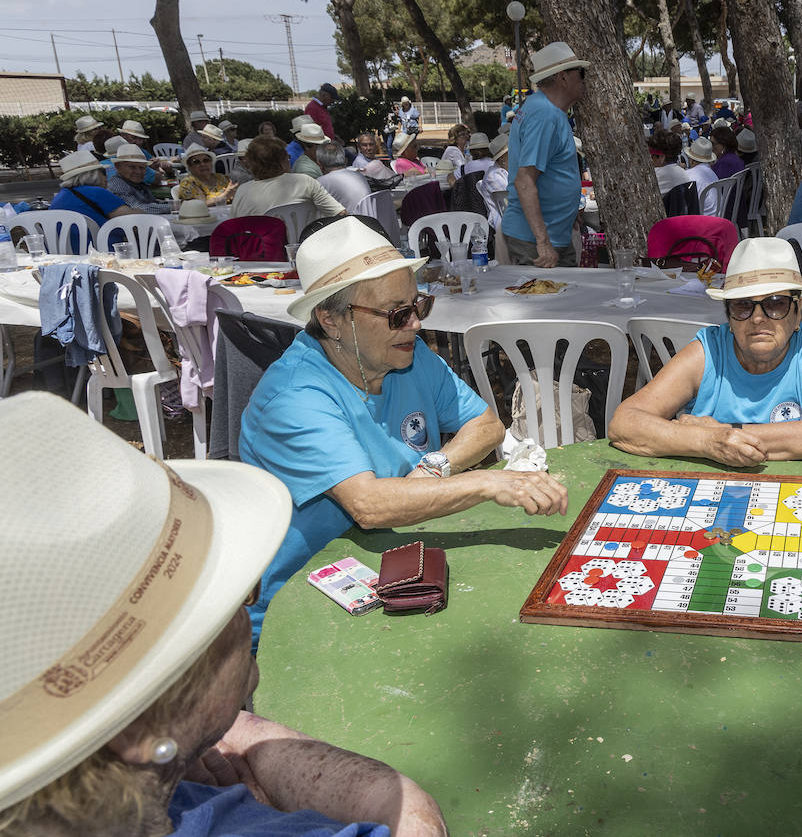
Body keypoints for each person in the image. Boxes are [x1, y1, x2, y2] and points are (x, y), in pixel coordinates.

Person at [0, 393, 448, 837]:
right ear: (136, 728)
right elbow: (401, 817)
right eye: (235, 594)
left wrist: (198, 730)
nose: (249, 603)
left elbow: (228, 733)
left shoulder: (152, 789)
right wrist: (406, 801)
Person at [239, 218, 568, 643]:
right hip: (300, 610)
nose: (414, 324)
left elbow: (486, 425)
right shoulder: (294, 396)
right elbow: (370, 506)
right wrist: (488, 481)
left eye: (419, 306)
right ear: (332, 319)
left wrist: (435, 465)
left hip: (396, 565)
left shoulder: (403, 355)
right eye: (397, 313)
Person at [609, 237, 802, 467]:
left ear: (798, 311)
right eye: (742, 305)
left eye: (776, 303)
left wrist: (722, 432)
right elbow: (623, 423)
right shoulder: (709, 351)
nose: (757, 318)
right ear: (729, 317)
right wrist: (706, 441)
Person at [503, 41, 588, 268]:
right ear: (562, 78)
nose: (584, 79)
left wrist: (569, 213)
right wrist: (543, 242)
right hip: (536, 241)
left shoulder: (541, 108)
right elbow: (524, 181)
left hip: (549, 235)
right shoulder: (545, 115)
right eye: (580, 72)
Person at [230, 136, 345, 222]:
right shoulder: (305, 182)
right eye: (287, 157)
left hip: (261, 251)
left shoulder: (243, 191)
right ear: (282, 161)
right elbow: (341, 214)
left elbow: (235, 229)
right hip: (304, 248)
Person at [49, 150, 140, 227]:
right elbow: (135, 222)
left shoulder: (60, 196)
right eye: (103, 172)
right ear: (94, 174)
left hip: (63, 247)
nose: (107, 176)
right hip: (100, 246)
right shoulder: (97, 193)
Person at [105, 144, 164, 212]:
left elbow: (152, 203)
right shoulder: (117, 184)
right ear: (117, 166)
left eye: (142, 167)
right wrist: (172, 206)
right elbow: (138, 209)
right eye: (132, 167)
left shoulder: (136, 183)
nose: (138, 171)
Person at [177, 143, 238, 208]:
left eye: (206, 160)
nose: (202, 164)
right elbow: (199, 206)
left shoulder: (221, 178)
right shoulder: (188, 183)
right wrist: (225, 195)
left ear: (211, 163)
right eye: (196, 162)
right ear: (189, 167)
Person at [316, 141, 371, 210]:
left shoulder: (322, 182)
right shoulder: (359, 175)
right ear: (345, 160)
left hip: (352, 219)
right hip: (369, 218)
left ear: (319, 163)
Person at [479, 134, 510, 231]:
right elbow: (512, 203)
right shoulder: (494, 177)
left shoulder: (507, 171)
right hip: (506, 225)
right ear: (502, 158)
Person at [648, 128, 692, 196]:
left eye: (651, 155)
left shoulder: (657, 175)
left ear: (661, 158)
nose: (650, 159)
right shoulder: (682, 172)